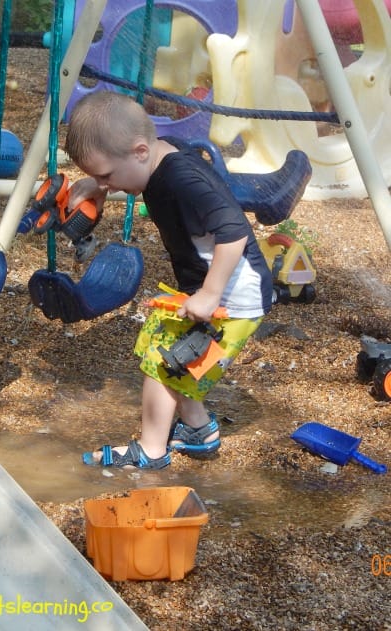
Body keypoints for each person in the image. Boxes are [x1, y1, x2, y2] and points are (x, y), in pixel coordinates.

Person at [64, 90, 273, 469]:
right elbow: (136, 169)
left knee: (163, 363)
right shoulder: (159, 155)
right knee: (171, 349)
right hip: (209, 287)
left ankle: (152, 450)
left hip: (233, 296)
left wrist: (210, 294)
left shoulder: (182, 178)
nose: (105, 185)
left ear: (140, 151)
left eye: (106, 175)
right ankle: (197, 430)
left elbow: (234, 231)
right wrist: (98, 184)